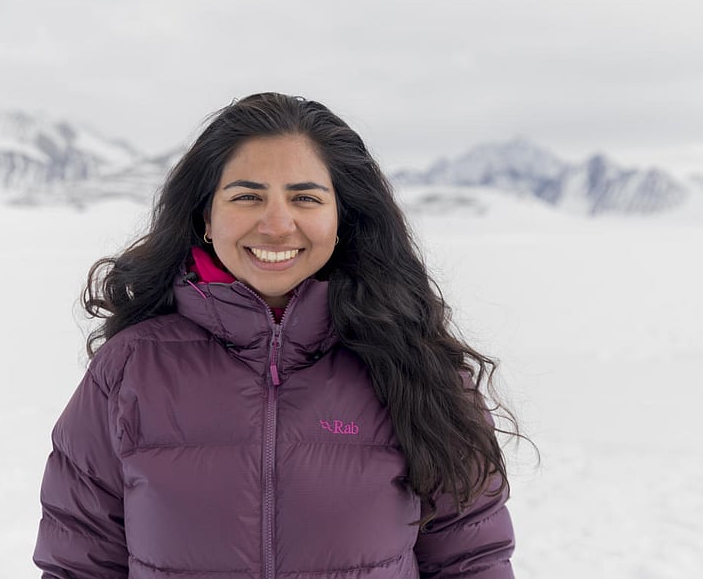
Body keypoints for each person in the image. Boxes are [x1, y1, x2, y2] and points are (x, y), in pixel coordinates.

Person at [33, 92, 518, 578]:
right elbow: (78, 563)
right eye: (247, 196)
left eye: (305, 197)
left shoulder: (417, 364)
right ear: (206, 216)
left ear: (342, 217)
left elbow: (472, 561)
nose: (277, 225)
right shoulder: (128, 370)